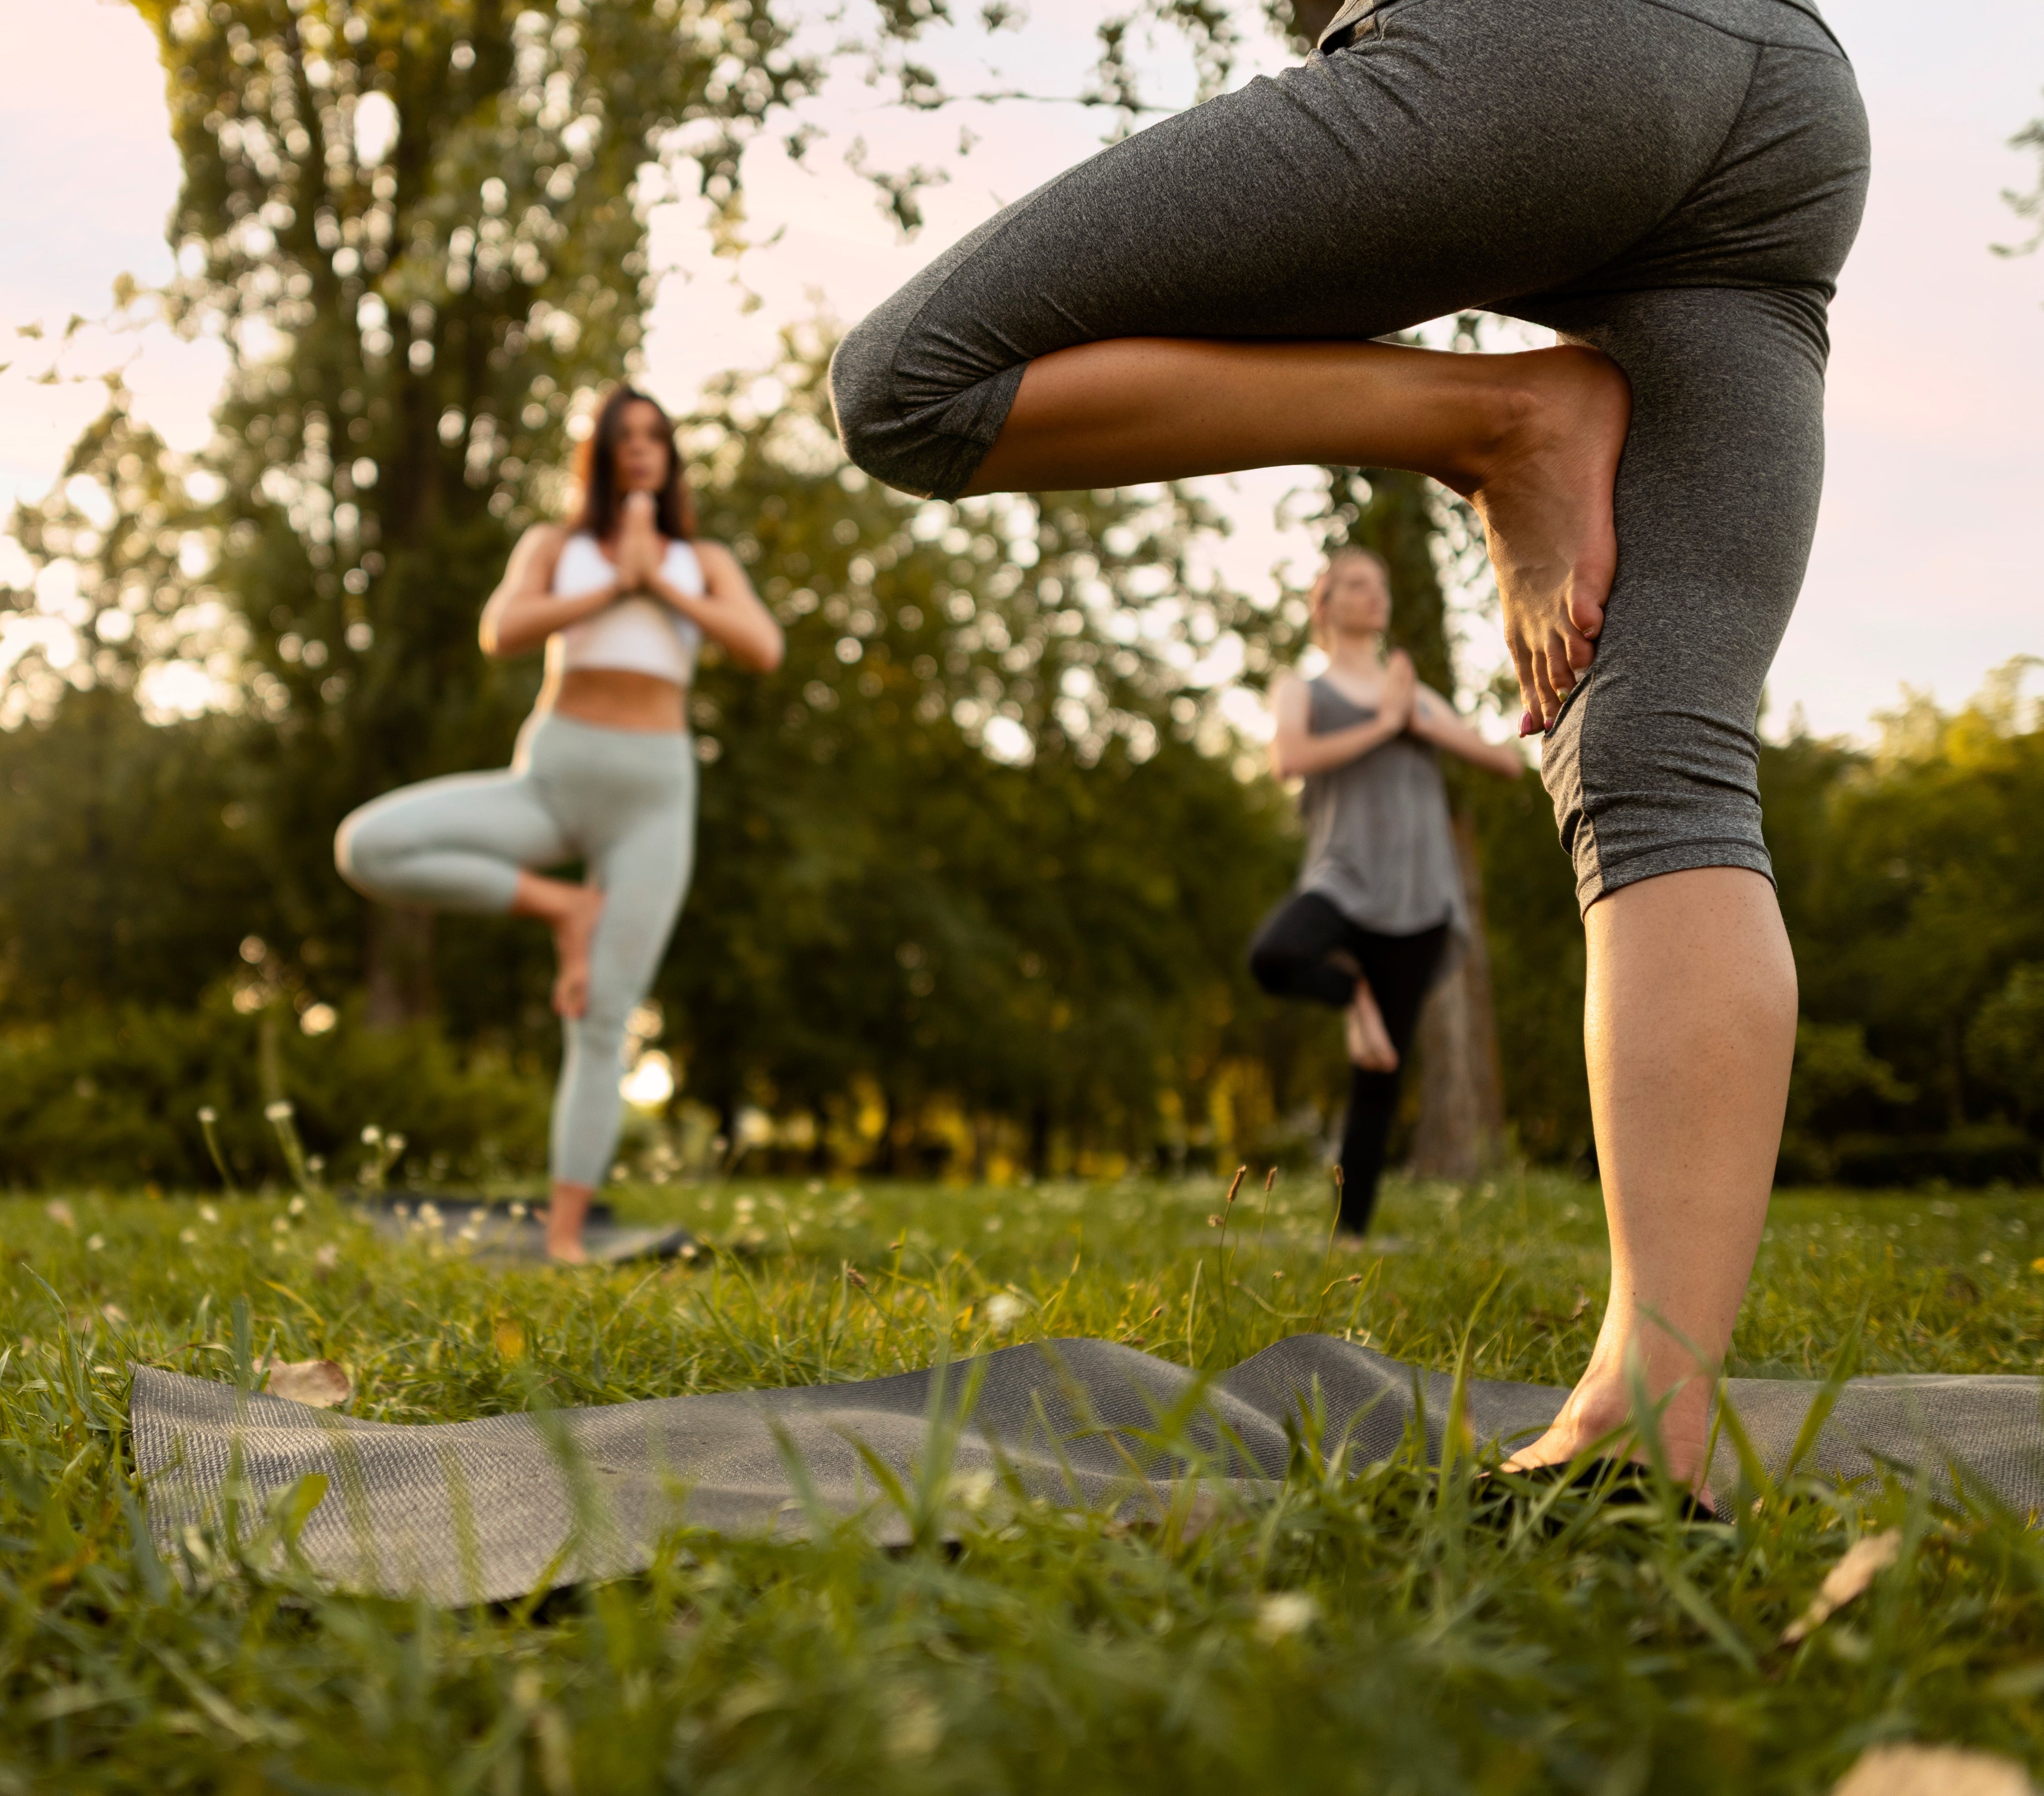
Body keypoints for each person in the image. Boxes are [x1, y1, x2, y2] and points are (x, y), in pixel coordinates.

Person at [827, 0, 1867, 1481]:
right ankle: (1650, 1427)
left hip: (1549, 57)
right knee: (1662, 760)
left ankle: (1492, 420)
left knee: (912, 387)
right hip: (1789, 102)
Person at [334, 385, 784, 1263]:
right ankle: (560, 906)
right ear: (603, 454)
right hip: (549, 778)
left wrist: (660, 582)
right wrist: (616, 581)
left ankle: (567, 1241)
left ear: (672, 455)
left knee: (603, 1018)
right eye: (626, 437)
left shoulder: (707, 563)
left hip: (654, 797)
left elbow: (761, 647)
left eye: (657, 435)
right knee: (368, 844)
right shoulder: (557, 546)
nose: (642, 449)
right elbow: (502, 631)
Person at [1249, 547, 1523, 1241]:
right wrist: (1384, 723)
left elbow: (1508, 762)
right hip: (1341, 880)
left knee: (1379, 1071)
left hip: (1420, 896)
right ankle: (1353, 994)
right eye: (1358, 585)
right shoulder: (1303, 689)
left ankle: (1350, 1237)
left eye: (1381, 585)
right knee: (1275, 956)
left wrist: (1419, 720)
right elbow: (1288, 760)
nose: (1376, 596)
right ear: (1326, 603)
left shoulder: (1416, 696)